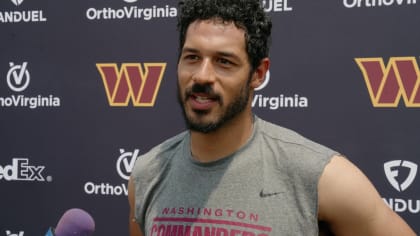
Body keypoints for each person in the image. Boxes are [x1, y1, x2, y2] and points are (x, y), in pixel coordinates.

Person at [128, 0, 416, 235]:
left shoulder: (321, 177)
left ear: (258, 74)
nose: (202, 76)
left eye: (224, 62)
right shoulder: (146, 174)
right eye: (192, 57)